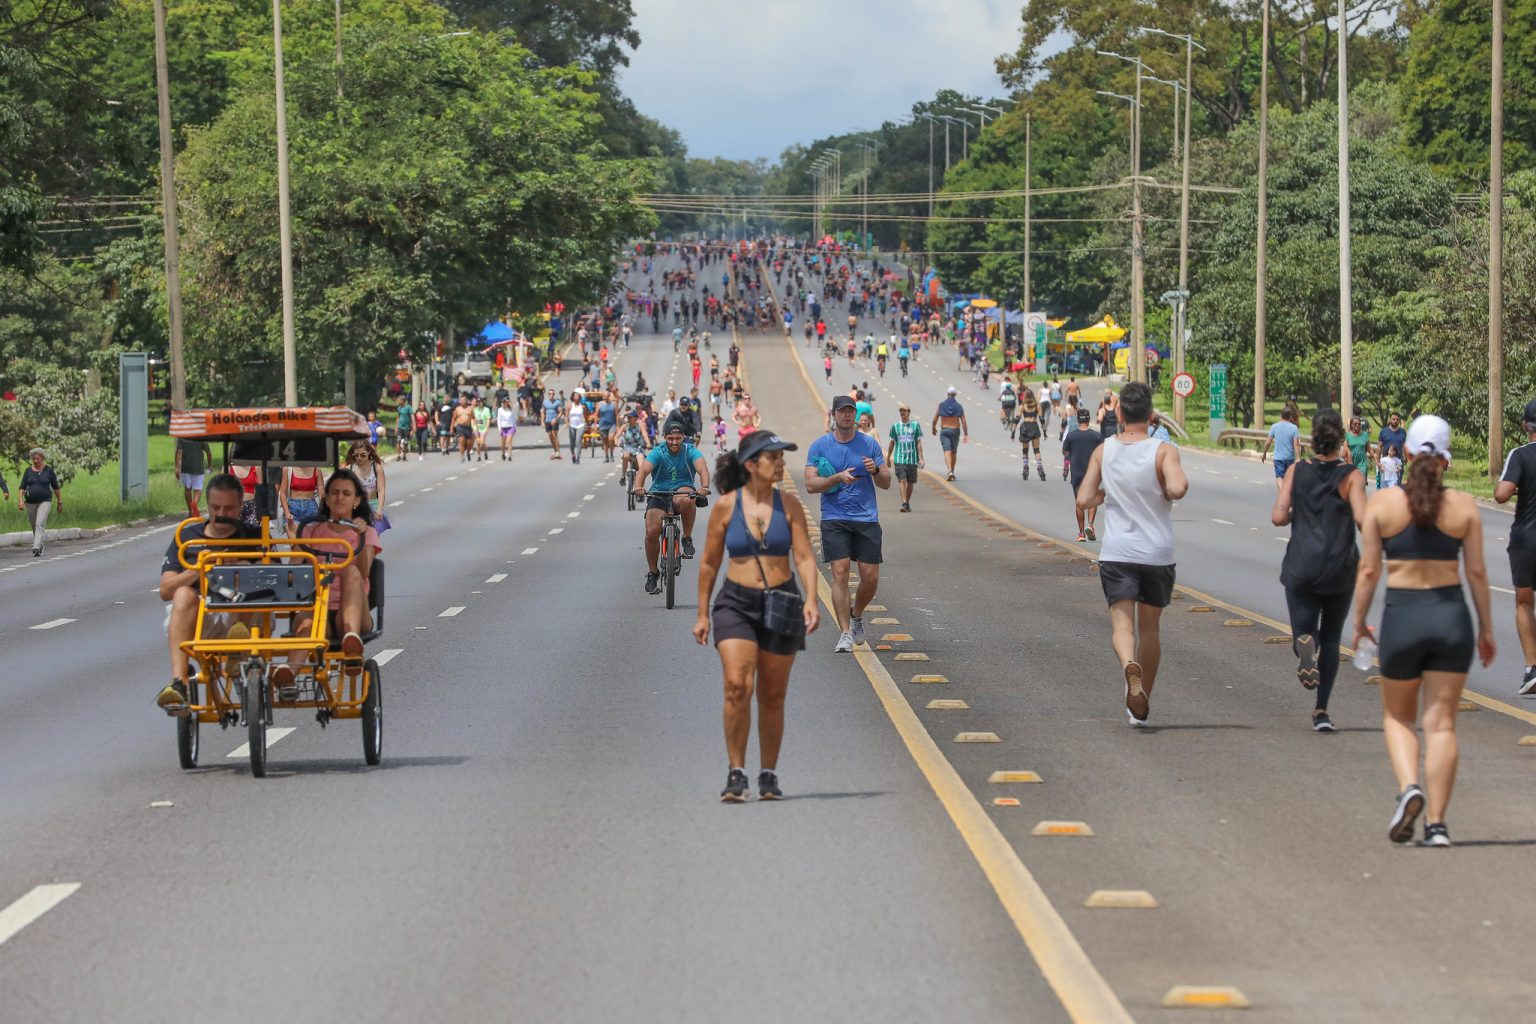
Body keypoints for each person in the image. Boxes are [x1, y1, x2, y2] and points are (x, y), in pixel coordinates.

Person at [1352, 415, 1495, 847]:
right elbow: (1476, 572)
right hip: (1452, 619)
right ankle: (1437, 825)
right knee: (1442, 725)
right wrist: (1487, 629)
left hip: (1403, 618)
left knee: (1398, 716)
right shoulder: (1465, 507)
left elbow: (1369, 570)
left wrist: (1359, 623)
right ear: (1446, 461)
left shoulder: (1383, 506)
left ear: (1407, 453)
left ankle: (1408, 787)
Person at [693, 431, 820, 801]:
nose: (780, 463)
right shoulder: (726, 507)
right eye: (773, 457)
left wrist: (811, 599)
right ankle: (736, 771)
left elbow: (805, 557)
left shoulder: (790, 505)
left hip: (782, 601)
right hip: (736, 602)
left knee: (772, 693)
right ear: (751, 465)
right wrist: (702, 613)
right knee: (737, 685)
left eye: (781, 457)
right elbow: (709, 563)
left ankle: (768, 773)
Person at [1075, 382, 1188, 725]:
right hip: (1156, 553)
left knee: (1122, 627)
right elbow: (1178, 487)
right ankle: (1141, 705)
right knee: (1150, 630)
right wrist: (1166, 490)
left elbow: (1083, 498)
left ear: (1119, 413)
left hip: (1118, 552)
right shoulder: (1164, 451)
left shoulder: (1103, 450)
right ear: (1151, 415)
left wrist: (1107, 495)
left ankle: (1129, 667)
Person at [1272, 410, 1366, 732]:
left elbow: (1278, 516)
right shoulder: (1352, 476)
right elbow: (1364, 521)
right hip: (1339, 568)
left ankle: (1302, 646)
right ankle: (1321, 711)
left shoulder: (1298, 471)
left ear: (1312, 438)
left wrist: (1300, 511)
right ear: (1342, 438)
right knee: (1332, 638)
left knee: (1304, 633)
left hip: (1301, 566)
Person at [272, 469, 383, 695]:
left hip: (352, 611)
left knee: (350, 572)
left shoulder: (367, 532)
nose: (340, 498)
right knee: (306, 625)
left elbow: (363, 571)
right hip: (318, 610)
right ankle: (289, 675)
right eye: (334, 493)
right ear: (327, 498)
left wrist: (360, 537)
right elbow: (296, 571)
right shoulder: (312, 531)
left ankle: (351, 642)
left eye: (346, 493)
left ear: (356, 500)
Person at [155, 473, 256, 713]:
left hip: (246, 618)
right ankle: (178, 682)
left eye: (229, 509)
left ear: (240, 507)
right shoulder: (188, 537)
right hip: (203, 617)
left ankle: (238, 659)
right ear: (207, 506)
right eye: (215, 507)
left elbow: (279, 583)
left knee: (250, 587)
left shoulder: (253, 537)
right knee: (182, 595)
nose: (221, 515)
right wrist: (196, 571)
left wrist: (245, 569)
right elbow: (165, 590)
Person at [807, 394, 891, 652]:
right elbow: (811, 485)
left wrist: (875, 470)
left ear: (855, 415)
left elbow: (887, 482)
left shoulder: (869, 445)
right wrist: (836, 478)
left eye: (850, 411)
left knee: (870, 577)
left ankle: (856, 614)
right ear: (834, 415)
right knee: (840, 573)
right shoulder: (819, 446)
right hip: (834, 518)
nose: (846, 415)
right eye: (842, 411)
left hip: (866, 518)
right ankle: (845, 632)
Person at [633, 421, 711, 595]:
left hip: (681, 491)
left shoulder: (690, 450)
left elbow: (702, 469)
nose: (674, 442)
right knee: (652, 532)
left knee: (688, 499)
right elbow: (644, 471)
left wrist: (704, 486)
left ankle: (687, 538)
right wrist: (638, 486)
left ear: (683, 438)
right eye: (670, 438)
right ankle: (653, 573)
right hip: (659, 493)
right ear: (665, 438)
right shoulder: (658, 452)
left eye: (678, 438)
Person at [1496, 399, 1536, 695]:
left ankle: (1532, 668)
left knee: (1524, 601)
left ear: (1526, 426)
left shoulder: (1520, 455)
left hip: (1526, 539)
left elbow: (1501, 494)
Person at [1062, 408, 1102, 541]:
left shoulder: (1071, 436)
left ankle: (1081, 533)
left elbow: (1065, 452)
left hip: (1077, 473)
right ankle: (1090, 525)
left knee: (1079, 503)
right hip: (1092, 472)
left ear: (1078, 420)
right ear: (1089, 420)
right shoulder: (1096, 436)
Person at [18, 447, 62, 557]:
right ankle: (41, 545)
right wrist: (20, 501)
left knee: (39, 523)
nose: (35, 461)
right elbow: (22, 487)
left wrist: (60, 502)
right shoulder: (28, 471)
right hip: (30, 502)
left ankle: (36, 547)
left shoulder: (48, 471)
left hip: (45, 501)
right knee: (34, 525)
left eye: (37, 458)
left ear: (42, 458)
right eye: (33, 459)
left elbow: (56, 488)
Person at [886, 403, 924, 513]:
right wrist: (888, 457)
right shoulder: (895, 426)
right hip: (900, 458)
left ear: (909, 412)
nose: (902, 413)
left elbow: (918, 443)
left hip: (912, 458)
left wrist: (921, 458)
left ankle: (907, 502)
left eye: (905, 411)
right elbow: (892, 443)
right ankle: (904, 502)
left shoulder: (915, 426)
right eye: (901, 411)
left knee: (910, 482)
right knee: (902, 480)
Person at [930, 386, 968, 481]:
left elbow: (935, 418)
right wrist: (966, 434)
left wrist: (933, 428)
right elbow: (963, 421)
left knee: (947, 450)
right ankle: (952, 471)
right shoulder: (959, 406)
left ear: (947, 394)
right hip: (955, 430)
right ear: (955, 394)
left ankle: (950, 470)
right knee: (954, 451)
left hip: (945, 430)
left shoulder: (942, 405)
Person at [345, 439, 388, 521]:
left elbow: (381, 490)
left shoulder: (376, 467)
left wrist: (379, 509)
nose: (359, 458)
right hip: (355, 509)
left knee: (372, 533)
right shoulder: (350, 469)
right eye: (356, 455)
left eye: (363, 455)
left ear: (369, 452)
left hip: (373, 507)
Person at [1261, 407, 1302, 489]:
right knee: (1288, 478)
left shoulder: (1274, 427)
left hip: (1278, 458)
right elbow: (1296, 444)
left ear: (1281, 415)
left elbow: (1268, 442)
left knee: (1279, 477)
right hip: (1290, 458)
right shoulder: (1294, 428)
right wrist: (1298, 458)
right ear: (1290, 416)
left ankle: (1283, 493)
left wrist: (1264, 453)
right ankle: (1287, 493)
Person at [174, 436, 212, 518]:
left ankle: (190, 512)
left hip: (185, 468)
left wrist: (177, 468)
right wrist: (209, 466)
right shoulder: (201, 437)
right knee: (198, 490)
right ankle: (194, 503)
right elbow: (208, 452)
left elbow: (178, 452)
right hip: (198, 468)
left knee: (187, 489)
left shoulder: (182, 437)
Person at [280, 464, 322, 534]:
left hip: (311, 509)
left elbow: (322, 494)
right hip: (292, 510)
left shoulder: (317, 470)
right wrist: (287, 513)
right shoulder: (288, 469)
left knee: (308, 544)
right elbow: (282, 493)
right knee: (295, 544)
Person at [1017, 387, 1044, 481]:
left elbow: (1016, 419)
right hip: (1034, 426)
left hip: (1025, 427)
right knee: (1036, 450)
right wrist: (1044, 431)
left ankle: (1025, 468)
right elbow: (1042, 419)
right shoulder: (1037, 406)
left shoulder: (1022, 406)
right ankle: (1040, 469)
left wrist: (1012, 432)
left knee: (1025, 451)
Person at [1377, 412, 1406, 488]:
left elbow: (1404, 446)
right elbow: (1379, 447)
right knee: (1385, 487)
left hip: (1398, 463)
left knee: (1396, 487)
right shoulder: (1384, 431)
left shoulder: (1402, 432)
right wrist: (1377, 461)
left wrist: (1405, 457)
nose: (1395, 421)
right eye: (1393, 419)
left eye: (1397, 419)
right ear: (1390, 419)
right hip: (1386, 463)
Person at [542, 388, 562, 459]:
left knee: (554, 435)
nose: (551, 395)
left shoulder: (557, 402)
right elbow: (543, 412)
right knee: (550, 436)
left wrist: (556, 419)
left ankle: (558, 452)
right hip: (548, 421)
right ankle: (555, 450)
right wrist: (542, 422)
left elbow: (560, 412)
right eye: (550, 394)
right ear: (548, 395)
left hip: (554, 421)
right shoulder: (545, 402)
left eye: (553, 394)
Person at [472, 396, 492, 461]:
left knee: (482, 442)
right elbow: (472, 419)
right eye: (477, 402)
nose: (479, 403)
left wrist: (487, 428)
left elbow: (488, 419)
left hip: (483, 428)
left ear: (482, 402)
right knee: (478, 442)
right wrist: (473, 427)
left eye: (480, 402)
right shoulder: (474, 410)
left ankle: (485, 452)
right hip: (476, 427)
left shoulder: (486, 409)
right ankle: (479, 456)